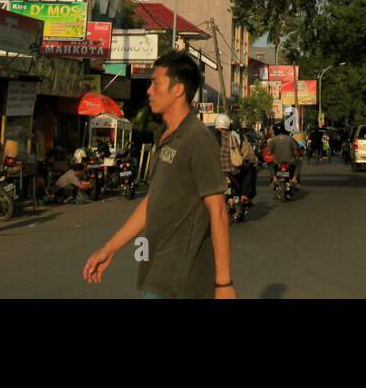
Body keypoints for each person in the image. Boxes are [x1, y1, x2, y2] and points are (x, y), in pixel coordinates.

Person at [83, 51, 234, 299]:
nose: (149, 91)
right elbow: (152, 201)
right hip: (156, 269)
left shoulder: (198, 139)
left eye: (156, 83)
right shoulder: (165, 137)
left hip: (181, 277)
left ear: (178, 90)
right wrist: (109, 249)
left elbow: (217, 210)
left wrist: (223, 283)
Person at [216, 114, 257, 206]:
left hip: (218, 170)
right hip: (232, 169)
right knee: (248, 171)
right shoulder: (232, 137)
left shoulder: (213, 138)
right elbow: (238, 153)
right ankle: (244, 195)